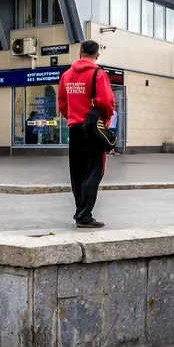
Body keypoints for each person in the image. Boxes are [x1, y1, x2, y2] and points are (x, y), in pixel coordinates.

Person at [58, 39, 114, 229]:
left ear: (80, 53)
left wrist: (72, 116)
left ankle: (80, 211)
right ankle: (85, 214)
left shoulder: (66, 75)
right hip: (92, 130)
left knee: (78, 172)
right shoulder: (98, 74)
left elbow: (62, 104)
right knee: (93, 171)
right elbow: (106, 102)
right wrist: (104, 120)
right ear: (97, 55)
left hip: (75, 129)